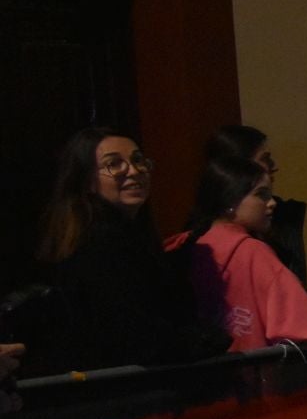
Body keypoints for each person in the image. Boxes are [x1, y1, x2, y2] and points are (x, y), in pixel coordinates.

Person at [38, 126, 229, 370]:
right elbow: (132, 332)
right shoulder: (101, 243)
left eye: (138, 160)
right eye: (114, 164)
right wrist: (208, 340)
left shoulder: (123, 235)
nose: (134, 170)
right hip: (122, 391)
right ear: (86, 180)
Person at [180, 155, 307, 351]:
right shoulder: (253, 252)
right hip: (255, 374)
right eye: (262, 195)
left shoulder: (187, 245)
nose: (272, 203)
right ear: (230, 200)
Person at [206, 125, 307, 285]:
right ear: (237, 168)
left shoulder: (283, 217)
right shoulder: (198, 243)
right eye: (264, 159)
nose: (274, 167)